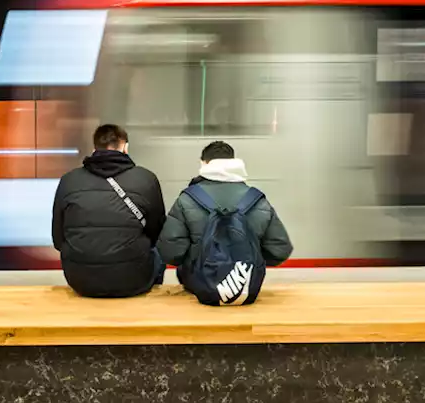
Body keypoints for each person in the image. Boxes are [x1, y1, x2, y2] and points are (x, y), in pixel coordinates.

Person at [157, 141, 293, 293]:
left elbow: (170, 252)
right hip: (246, 287)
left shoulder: (187, 199)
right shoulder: (257, 200)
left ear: (204, 163)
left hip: (198, 287)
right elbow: (280, 250)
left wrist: (198, 258)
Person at [52, 124, 167, 298]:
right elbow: (156, 233)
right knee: (158, 250)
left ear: (94, 149)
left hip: (81, 280)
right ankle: (152, 299)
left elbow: (58, 240)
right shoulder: (146, 178)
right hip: (133, 279)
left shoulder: (69, 180)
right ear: (125, 147)